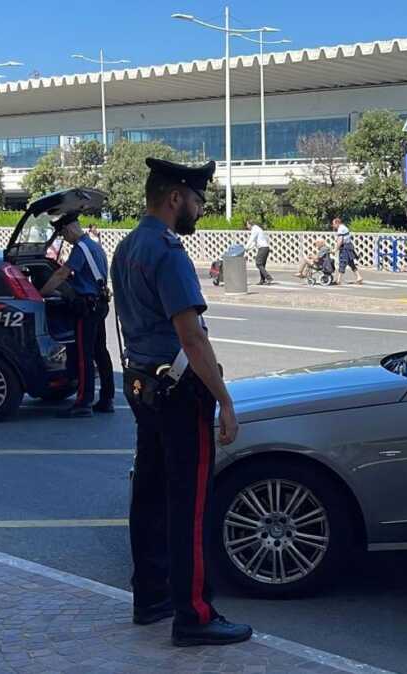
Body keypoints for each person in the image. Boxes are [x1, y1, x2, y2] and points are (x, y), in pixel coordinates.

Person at [110, 157, 252, 647]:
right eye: (196, 200)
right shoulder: (168, 253)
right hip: (178, 390)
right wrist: (226, 401)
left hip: (140, 385)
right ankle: (193, 615)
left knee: (148, 494)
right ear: (175, 198)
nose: (199, 209)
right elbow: (192, 337)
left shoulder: (126, 246)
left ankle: (150, 596)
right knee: (188, 504)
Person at [39, 217, 114, 418]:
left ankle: (83, 402)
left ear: (70, 228)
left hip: (86, 307)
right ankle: (107, 398)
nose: (64, 237)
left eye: (63, 233)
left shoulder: (81, 248)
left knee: (84, 356)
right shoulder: (94, 246)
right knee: (100, 352)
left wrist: (40, 293)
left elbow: (61, 274)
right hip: (99, 303)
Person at [332, 217, 363, 285]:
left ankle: (339, 280)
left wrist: (336, 249)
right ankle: (359, 277)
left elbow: (340, 240)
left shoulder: (340, 229)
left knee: (342, 262)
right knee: (350, 263)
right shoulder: (344, 227)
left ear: (337, 223)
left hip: (345, 247)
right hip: (349, 246)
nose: (333, 225)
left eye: (334, 224)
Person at [245, 220, 273, 285]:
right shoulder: (257, 229)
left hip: (263, 248)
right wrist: (248, 249)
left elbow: (251, 239)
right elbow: (254, 242)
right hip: (265, 248)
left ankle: (268, 278)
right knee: (262, 265)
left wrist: (245, 247)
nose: (247, 226)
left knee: (258, 263)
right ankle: (262, 280)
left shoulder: (255, 229)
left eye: (247, 224)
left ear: (250, 224)